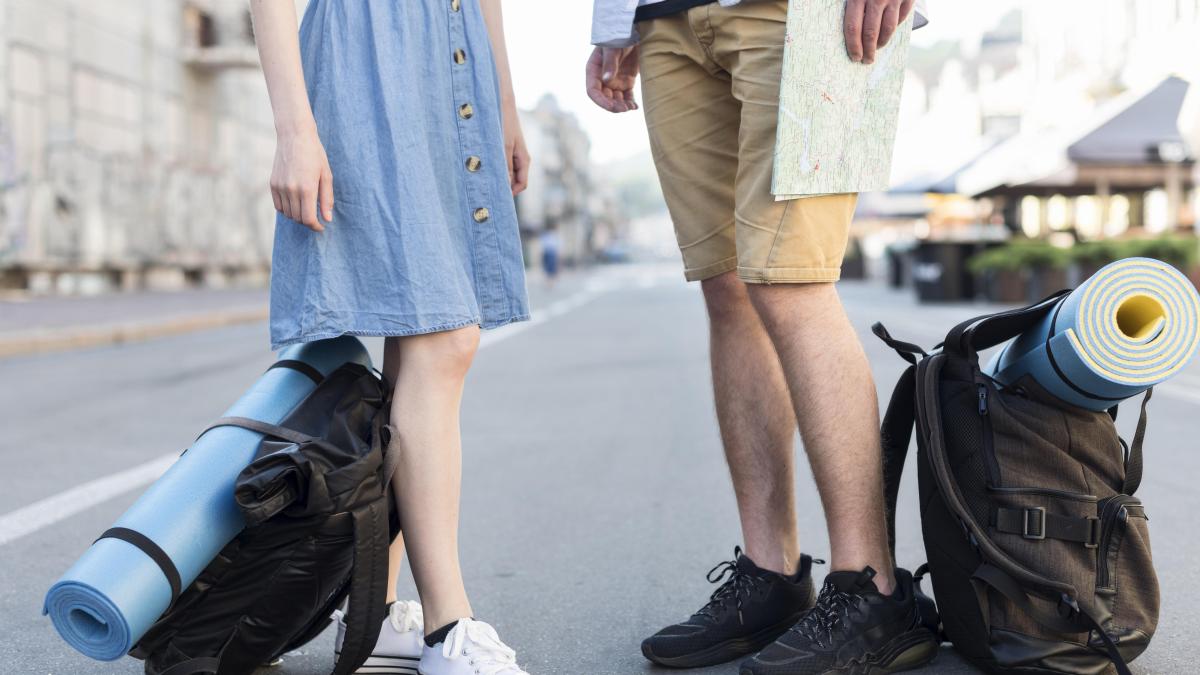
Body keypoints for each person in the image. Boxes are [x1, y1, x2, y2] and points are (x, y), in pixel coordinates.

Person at [586, 1, 935, 673]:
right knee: (727, 288)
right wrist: (615, 23)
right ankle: (771, 575)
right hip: (664, 20)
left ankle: (872, 590)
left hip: (803, 13)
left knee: (793, 282)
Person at [250, 1, 532, 673]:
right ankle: (447, 625)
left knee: (419, 337)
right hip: (368, 59)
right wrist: (294, 129)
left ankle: (374, 616)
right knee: (446, 338)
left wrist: (504, 104)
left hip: (453, 58)